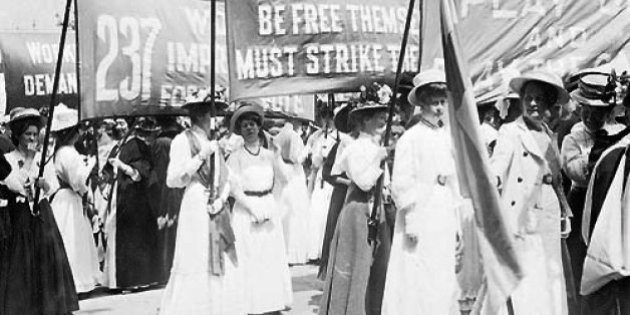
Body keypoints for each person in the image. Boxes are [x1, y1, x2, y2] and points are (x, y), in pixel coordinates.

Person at [382, 70, 464, 314]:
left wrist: (457, 221)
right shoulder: (411, 138)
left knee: (441, 269)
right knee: (417, 269)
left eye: (442, 102)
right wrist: (411, 219)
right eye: (433, 103)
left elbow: (453, 180)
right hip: (420, 210)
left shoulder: (446, 136)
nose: (438, 108)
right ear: (422, 105)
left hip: (443, 209)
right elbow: (402, 182)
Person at [491, 71, 570, 314]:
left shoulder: (548, 132)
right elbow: (497, 165)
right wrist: (489, 181)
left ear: (548, 103)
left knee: (550, 278)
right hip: (522, 217)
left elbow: (555, 179)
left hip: (548, 215)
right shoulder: (510, 132)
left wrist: (565, 212)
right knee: (528, 283)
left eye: (539, 99)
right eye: (528, 98)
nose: (533, 104)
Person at [159, 92, 245, 314]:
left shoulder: (212, 142)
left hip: (215, 201)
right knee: (196, 253)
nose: (215, 120)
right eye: (211, 114)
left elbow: (226, 176)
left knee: (216, 251)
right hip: (195, 202)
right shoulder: (182, 140)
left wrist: (222, 197)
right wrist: (199, 158)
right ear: (201, 116)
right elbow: (173, 179)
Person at [0, 107, 78, 314]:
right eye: (28, 134)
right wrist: (28, 161)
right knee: (23, 260)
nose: (32, 138)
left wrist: (43, 183)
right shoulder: (8, 159)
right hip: (21, 215)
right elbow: (16, 184)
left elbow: (53, 186)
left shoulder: (42, 159)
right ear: (18, 135)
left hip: (42, 213)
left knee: (47, 256)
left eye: (35, 134)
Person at [319, 96, 392, 315]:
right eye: (374, 116)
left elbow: (385, 183)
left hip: (377, 211)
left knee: (378, 268)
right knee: (356, 267)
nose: (381, 119)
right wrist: (378, 159)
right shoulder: (354, 148)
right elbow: (363, 181)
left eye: (382, 115)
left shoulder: (376, 146)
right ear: (362, 120)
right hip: (358, 211)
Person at [560, 73, 624, 309]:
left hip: (611, 204)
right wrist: (601, 159)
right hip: (582, 205)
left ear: (607, 112)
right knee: (582, 263)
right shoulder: (573, 138)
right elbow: (576, 171)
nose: (589, 116)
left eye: (595, 111)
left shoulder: (621, 133)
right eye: (585, 109)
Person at [227, 104, 292, 314]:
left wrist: (278, 155)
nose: (249, 128)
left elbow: (285, 178)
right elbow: (233, 188)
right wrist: (251, 207)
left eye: (252, 124)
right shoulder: (236, 156)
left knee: (268, 257)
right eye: (245, 125)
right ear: (240, 130)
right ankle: (249, 304)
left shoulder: (268, 154)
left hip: (267, 206)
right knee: (249, 256)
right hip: (247, 209)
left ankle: (270, 302)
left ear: (259, 127)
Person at [49, 104, 101, 294]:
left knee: (73, 238)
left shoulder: (64, 151)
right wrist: (89, 169)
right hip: (70, 197)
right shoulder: (67, 153)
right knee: (72, 239)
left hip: (67, 198)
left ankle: (77, 280)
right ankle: (76, 281)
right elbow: (77, 181)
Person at [102, 118, 159, 290]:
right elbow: (107, 170)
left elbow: (140, 174)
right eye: (117, 124)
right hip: (119, 195)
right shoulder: (118, 145)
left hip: (134, 199)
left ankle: (133, 280)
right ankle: (117, 280)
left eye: (123, 124)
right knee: (118, 234)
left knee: (132, 237)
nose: (119, 127)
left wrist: (122, 166)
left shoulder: (137, 146)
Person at [318, 102, 356, 279]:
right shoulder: (341, 145)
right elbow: (327, 173)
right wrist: (348, 183)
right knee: (339, 234)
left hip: (361, 194)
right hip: (342, 196)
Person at [150, 116, 185, 285]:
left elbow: (160, 170)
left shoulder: (161, 142)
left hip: (167, 189)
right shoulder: (181, 139)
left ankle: (167, 270)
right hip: (181, 187)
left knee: (167, 228)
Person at [275, 116, 311, 265]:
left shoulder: (279, 134)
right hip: (294, 172)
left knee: (284, 209)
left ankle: (283, 249)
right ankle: (293, 252)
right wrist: (307, 149)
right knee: (295, 211)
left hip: (283, 170)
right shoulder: (294, 136)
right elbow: (296, 157)